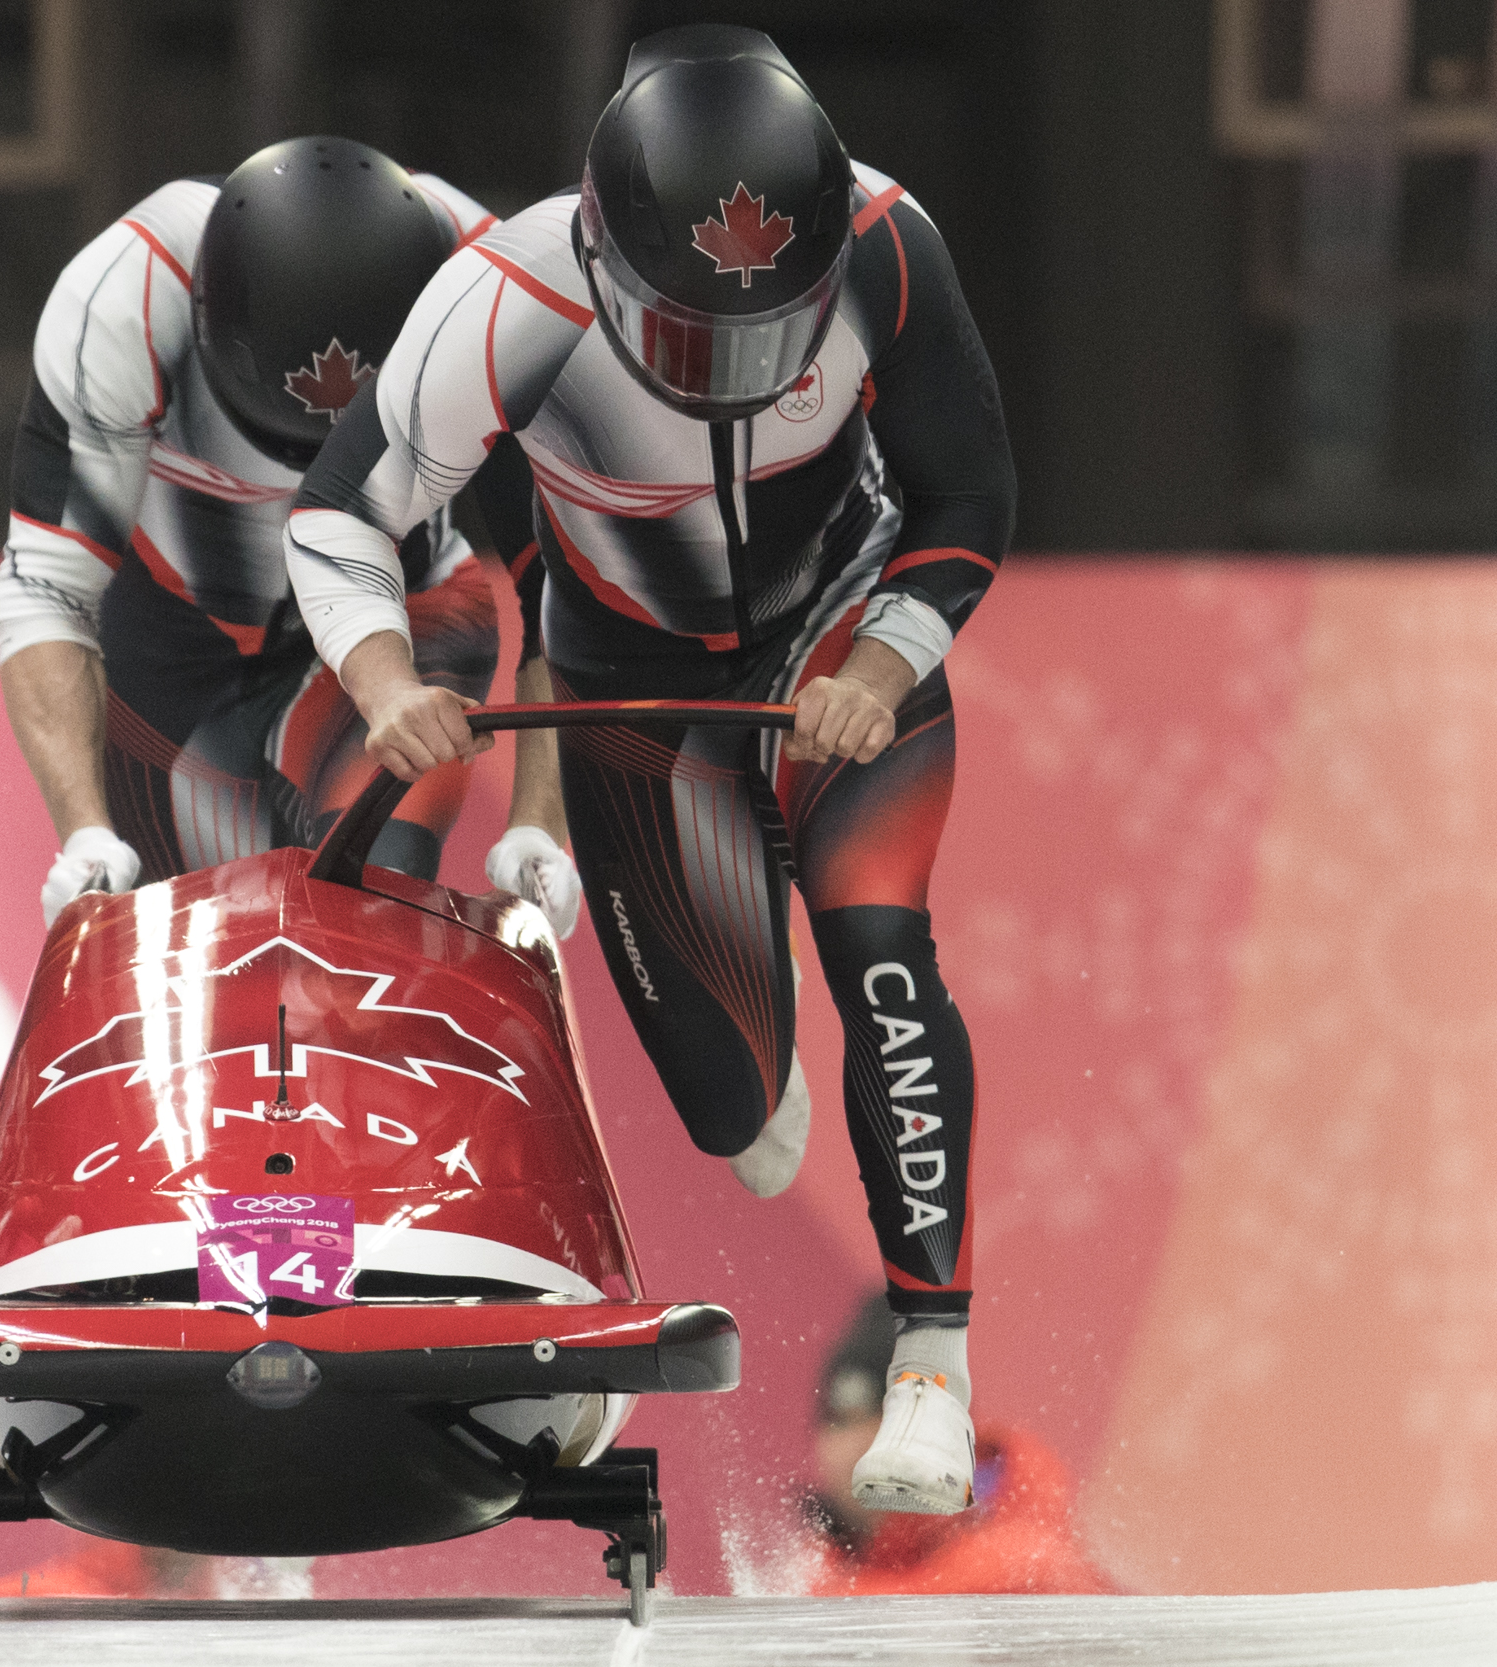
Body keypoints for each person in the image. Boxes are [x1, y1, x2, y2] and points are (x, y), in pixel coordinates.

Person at [286, 25, 1012, 1513]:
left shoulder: (886, 246)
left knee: (880, 937)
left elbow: (968, 491)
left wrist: (882, 663)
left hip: (837, 619)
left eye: (769, 335)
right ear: (606, 266)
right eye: (689, 337)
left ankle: (931, 1359)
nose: (733, 376)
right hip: (630, 684)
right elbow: (338, 514)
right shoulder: (509, 294)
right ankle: (754, 1048)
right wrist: (378, 677)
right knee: (738, 1115)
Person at [0, 135, 578, 932]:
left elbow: (563, 581)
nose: (317, 489)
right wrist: (85, 832)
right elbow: (47, 588)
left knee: (365, 916)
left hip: (405, 621)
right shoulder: (121, 299)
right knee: (211, 953)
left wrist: (540, 820)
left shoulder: (497, 289)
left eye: (351, 457)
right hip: (176, 648)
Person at [800, 1295, 1115, 1594]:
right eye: (838, 1421)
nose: (856, 1444)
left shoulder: (1022, 1567)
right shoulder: (817, 1572)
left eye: (885, 1416)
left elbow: (1021, 1568)